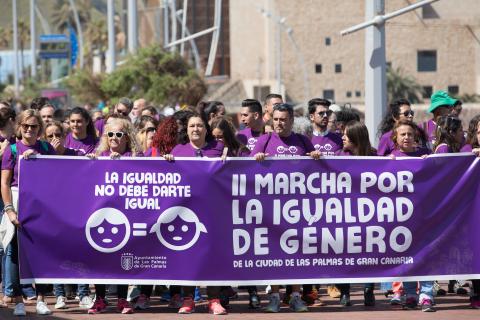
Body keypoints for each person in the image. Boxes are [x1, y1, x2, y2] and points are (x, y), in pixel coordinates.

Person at [252, 103, 320, 313]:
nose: (279, 123)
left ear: (291, 120)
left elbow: (318, 168)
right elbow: (245, 168)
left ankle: (296, 297)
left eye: (283, 119)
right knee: (273, 254)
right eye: (276, 119)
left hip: (298, 208)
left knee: (297, 254)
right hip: (271, 209)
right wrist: (257, 158)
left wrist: (316, 157)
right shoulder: (264, 141)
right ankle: (274, 297)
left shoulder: (302, 140)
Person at [163, 113, 227, 315]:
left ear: (206, 129)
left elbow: (235, 171)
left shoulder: (218, 149)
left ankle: (213, 300)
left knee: (212, 257)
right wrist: (167, 163)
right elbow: (167, 178)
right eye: (192, 126)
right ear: (187, 129)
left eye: (200, 125)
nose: (196, 129)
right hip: (186, 213)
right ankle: (188, 299)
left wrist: (229, 161)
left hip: (213, 212)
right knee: (187, 256)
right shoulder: (178, 150)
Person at [1, 110, 56, 316]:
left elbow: (56, 175)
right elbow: (4, 183)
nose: (29, 130)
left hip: (42, 205)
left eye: (33, 126)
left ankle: (41, 299)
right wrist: (9, 210)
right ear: (20, 127)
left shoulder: (46, 148)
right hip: (17, 202)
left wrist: (39, 160)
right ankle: (18, 301)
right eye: (26, 126)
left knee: (41, 252)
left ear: (39, 128)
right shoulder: (12, 150)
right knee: (14, 253)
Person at [85, 118, 141, 315]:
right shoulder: (98, 156)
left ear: (127, 137)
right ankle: (99, 299)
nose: (114, 138)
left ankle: (122, 300)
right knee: (99, 257)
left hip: (126, 216)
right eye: (110, 134)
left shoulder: (136, 156)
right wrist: (90, 165)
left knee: (123, 258)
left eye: (119, 134)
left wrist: (126, 163)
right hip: (101, 216)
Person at [334, 121, 376, 307]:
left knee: (369, 252)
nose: (342, 137)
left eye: (346, 134)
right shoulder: (337, 155)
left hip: (369, 213)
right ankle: (345, 292)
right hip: (344, 213)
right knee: (344, 253)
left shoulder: (375, 156)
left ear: (356, 137)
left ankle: (368, 290)